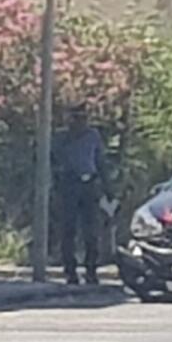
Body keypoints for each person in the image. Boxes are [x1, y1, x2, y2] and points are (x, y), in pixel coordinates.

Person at [52, 105, 107, 285]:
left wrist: (107, 188)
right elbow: (54, 159)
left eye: (83, 118)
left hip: (89, 184)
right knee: (68, 230)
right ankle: (70, 271)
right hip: (70, 184)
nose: (80, 122)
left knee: (91, 231)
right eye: (76, 118)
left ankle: (91, 270)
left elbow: (100, 161)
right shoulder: (62, 137)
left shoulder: (93, 136)